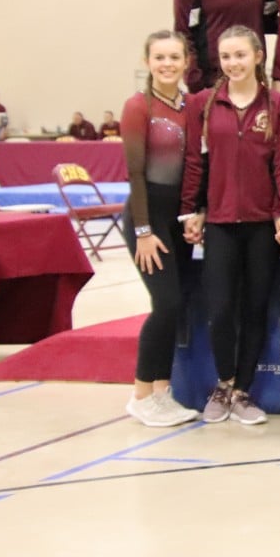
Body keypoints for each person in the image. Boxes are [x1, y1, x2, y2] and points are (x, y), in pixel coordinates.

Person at [181, 26, 280, 425]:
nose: (233, 63)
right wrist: (191, 209)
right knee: (220, 307)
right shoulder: (203, 104)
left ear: (258, 56)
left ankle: (244, 390)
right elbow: (197, 162)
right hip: (219, 223)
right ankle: (224, 383)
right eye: (226, 57)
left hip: (262, 224)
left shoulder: (279, 105)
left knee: (255, 307)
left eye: (240, 56)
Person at [121, 31, 199, 427]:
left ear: (187, 61)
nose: (167, 64)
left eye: (174, 57)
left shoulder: (189, 106)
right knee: (165, 303)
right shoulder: (139, 106)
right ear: (148, 62)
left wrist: (191, 213)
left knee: (178, 305)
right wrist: (143, 230)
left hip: (177, 217)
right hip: (147, 215)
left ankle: (162, 392)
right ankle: (140, 394)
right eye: (159, 58)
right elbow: (135, 173)